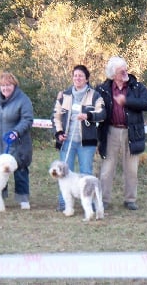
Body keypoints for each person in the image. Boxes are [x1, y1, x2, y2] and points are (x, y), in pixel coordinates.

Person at [96, 56, 147, 210]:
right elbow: (91, 102)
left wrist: (126, 101)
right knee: (107, 168)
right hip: (110, 132)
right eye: (122, 70)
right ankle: (103, 199)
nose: (125, 72)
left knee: (131, 168)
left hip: (132, 132)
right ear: (113, 73)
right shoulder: (102, 89)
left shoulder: (136, 86)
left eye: (126, 68)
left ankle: (130, 199)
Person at [52, 65, 106, 211]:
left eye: (81, 76)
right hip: (67, 141)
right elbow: (56, 116)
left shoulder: (95, 96)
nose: (77, 78)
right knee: (63, 173)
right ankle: (64, 203)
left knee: (86, 172)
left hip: (86, 143)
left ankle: (89, 204)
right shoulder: (64, 95)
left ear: (86, 79)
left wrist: (89, 115)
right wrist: (58, 133)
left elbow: (102, 114)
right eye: (75, 75)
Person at [0, 71, 33, 210]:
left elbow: (27, 119)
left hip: (18, 143)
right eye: (3, 85)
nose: (5, 88)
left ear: (14, 85)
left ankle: (23, 199)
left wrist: (16, 132)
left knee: (20, 169)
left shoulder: (23, 99)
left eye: (8, 85)